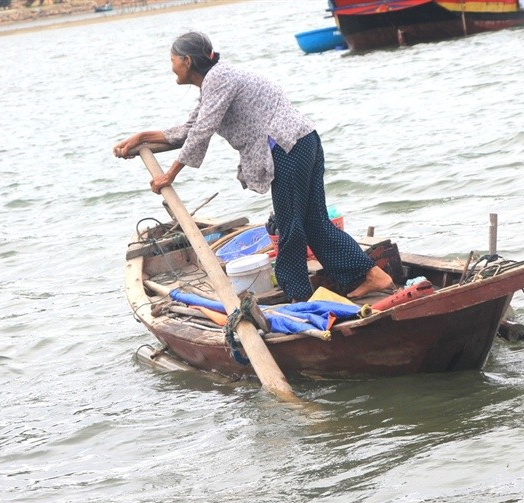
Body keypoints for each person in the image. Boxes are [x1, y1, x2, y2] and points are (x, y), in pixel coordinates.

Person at [113, 31, 392, 301]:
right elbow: (191, 128)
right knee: (313, 222)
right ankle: (370, 276)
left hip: (286, 148)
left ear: (187, 60)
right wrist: (142, 138)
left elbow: (203, 131)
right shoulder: (215, 82)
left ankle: (299, 295)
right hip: (302, 142)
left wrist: (168, 175)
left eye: (173, 60)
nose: (171, 67)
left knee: (291, 227)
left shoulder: (218, 78)